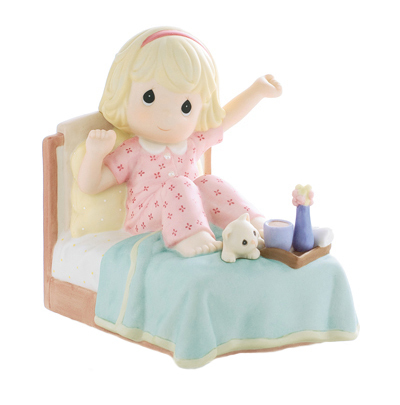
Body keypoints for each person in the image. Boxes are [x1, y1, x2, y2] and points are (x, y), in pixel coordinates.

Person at [78, 27, 282, 257]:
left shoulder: (192, 143)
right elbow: (91, 185)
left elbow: (226, 119)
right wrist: (95, 153)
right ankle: (190, 237)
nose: (168, 116)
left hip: (194, 212)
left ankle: (251, 224)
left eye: (186, 107)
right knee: (180, 184)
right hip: (148, 221)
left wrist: (257, 91)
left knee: (209, 182)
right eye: (149, 98)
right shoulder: (134, 150)